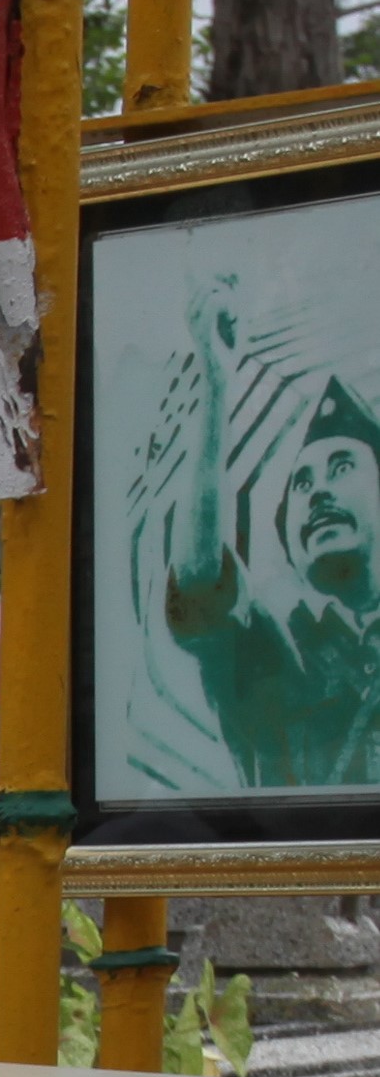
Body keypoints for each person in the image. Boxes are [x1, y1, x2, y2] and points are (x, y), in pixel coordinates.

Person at [161, 271, 380, 789]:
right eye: (301, 484)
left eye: (341, 467)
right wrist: (217, 384)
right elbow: (198, 589)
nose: (317, 492)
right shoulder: (278, 652)